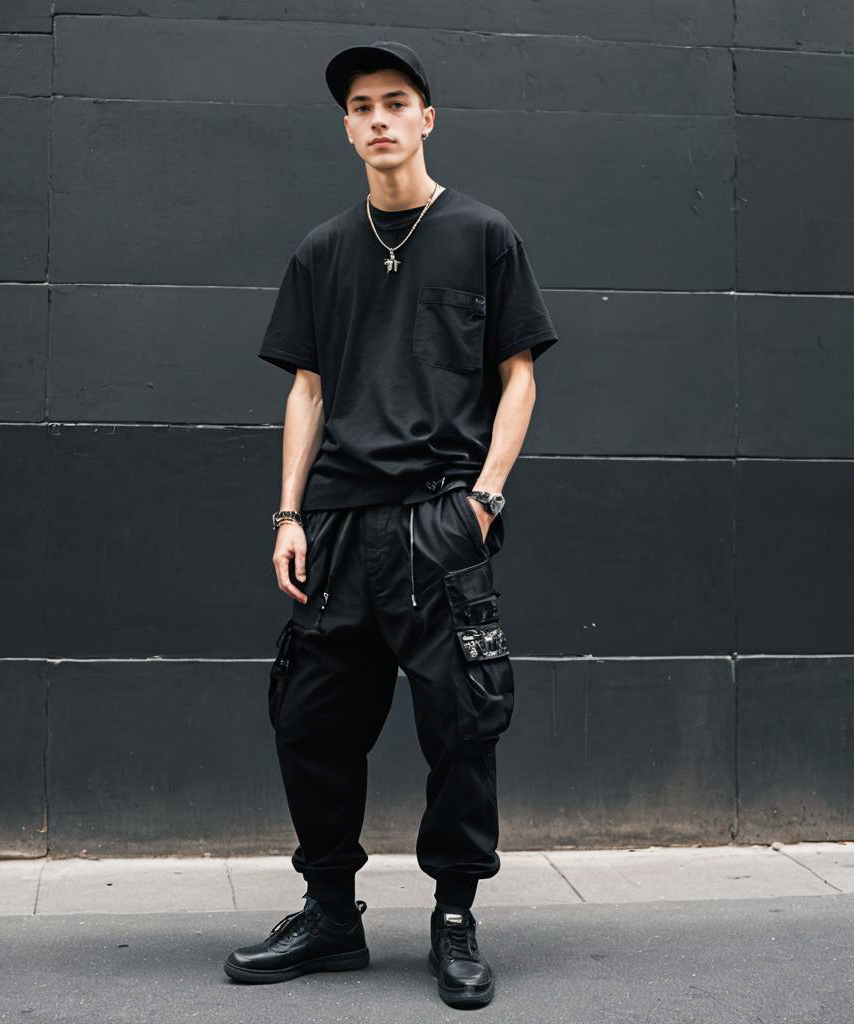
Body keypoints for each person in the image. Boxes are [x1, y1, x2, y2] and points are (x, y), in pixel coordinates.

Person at [223, 39, 559, 1009]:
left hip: (437, 526)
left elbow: (519, 375)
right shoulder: (322, 251)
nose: (376, 118)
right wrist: (288, 511)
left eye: (394, 102)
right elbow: (308, 388)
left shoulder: (482, 234)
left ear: (425, 118)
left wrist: (485, 497)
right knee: (308, 721)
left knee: (463, 727)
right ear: (346, 127)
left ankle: (453, 915)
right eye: (360, 106)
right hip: (335, 531)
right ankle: (330, 914)